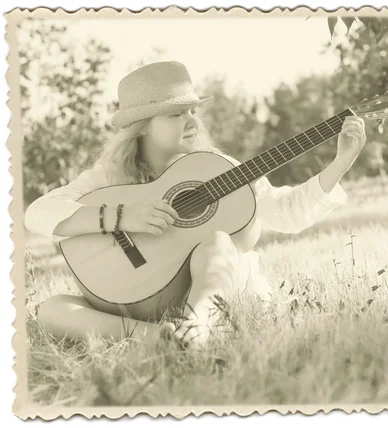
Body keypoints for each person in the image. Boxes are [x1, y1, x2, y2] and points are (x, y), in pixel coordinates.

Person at [24, 61, 367, 349]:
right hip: (135, 299)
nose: (192, 121)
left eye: (192, 110)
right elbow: (38, 212)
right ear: (141, 127)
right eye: (176, 114)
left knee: (217, 241)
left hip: (199, 291)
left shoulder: (216, 167)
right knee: (50, 310)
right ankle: (152, 337)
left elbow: (287, 212)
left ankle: (196, 326)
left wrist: (340, 165)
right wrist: (122, 216)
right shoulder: (110, 174)